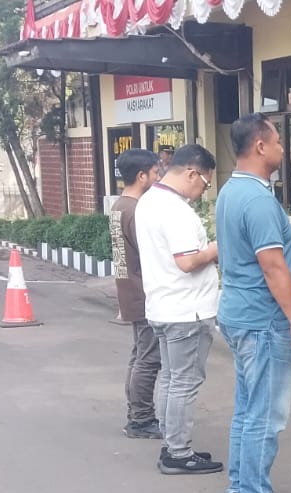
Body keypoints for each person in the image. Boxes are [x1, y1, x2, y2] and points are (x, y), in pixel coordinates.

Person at [215, 113, 291, 493]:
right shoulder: (257, 200)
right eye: (277, 142)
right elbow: (273, 266)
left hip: (240, 314)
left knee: (247, 409)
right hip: (262, 320)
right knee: (265, 414)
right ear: (260, 146)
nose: (282, 149)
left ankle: (241, 490)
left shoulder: (230, 191)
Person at [136, 144, 224, 475]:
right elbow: (187, 261)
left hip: (163, 305)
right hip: (187, 310)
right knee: (184, 382)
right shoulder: (175, 210)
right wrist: (216, 248)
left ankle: (172, 443)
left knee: (172, 379)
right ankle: (178, 451)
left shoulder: (149, 201)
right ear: (191, 173)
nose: (203, 190)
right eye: (205, 182)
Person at [111, 148, 164, 440]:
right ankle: (141, 419)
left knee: (140, 355)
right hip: (144, 292)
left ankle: (137, 413)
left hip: (129, 290)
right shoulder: (136, 210)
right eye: (155, 172)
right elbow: (151, 254)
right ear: (142, 175)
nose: (158, 177)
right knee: (148, 358)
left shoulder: (120, 206)